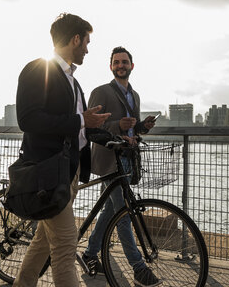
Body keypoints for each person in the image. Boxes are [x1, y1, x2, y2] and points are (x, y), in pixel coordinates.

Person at [13, 13, 111, 287]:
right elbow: (28, 119)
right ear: (75, 39)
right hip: (48, 172)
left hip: (68, 171)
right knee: (66, 245)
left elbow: (78, 128)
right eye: (86, 42)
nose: (88, 49)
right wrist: (81, 119)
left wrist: (109, 135)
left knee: (43, 241)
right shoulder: (37, 69)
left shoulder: (73, 81)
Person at [82, 46, 159, 287]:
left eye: (124, 62)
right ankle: (138, 268)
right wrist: (117, 126)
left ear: (131, 66)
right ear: (111, 66)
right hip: (108, 159)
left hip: (127, 159)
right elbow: (90, 128)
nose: (120, 65)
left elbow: (131, 129)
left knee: (111, 211)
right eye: (116, 62)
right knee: (124, 213)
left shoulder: (134, 96)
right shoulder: (101, 92)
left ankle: (88, 254)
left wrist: (141, 128)